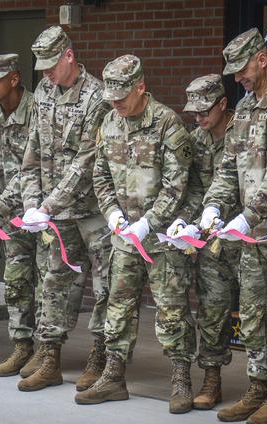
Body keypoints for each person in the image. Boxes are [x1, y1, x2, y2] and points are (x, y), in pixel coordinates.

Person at [75, 54, 195, 413]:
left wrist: (150, 222)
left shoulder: (167, 124)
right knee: (118, 306)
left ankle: (181, 378)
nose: (115, 104)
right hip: (124, 238)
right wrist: (112, 213)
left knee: (171, 310)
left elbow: (177, 185)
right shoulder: (110, 123)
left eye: (121, 96)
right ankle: (113, 376)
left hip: (160, 239)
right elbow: (100, 175)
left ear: (140, 87)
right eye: (110, 98)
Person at [201, 28, 267, 424]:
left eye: (242, 68)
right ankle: (258, 386)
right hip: (249, 237)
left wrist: (250, 214)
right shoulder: (243, 109)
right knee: (253, 313)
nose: (238, 76)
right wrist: (213, 205)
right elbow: (229, 168)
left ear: (262, 59)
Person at [17, 26, 113, 392]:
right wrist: (30, 203)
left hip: (92, 211)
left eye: (51, 65)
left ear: (69, 56)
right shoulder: (43, 90)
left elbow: (87, 161)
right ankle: (50, 357)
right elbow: (33, 152)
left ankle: (99, 357)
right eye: (40, 67)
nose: (45, 73)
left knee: (105, 287)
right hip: (52, 214)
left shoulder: (97, 96)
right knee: (55, 283)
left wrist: (47, 204)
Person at [0, 53, 47, 377]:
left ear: (14, 79)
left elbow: (32, 170)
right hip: (7, 216)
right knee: (16, 281)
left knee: (46, 284)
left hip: (41, 211)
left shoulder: (38, 111)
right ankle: (22, 347)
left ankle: (46, 352)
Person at [165, 74, 238, 411]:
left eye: (204, 110)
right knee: (213, 307)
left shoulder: (244, 132)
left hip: (246, 234)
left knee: (262, 312)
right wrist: (187, 220)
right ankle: (211, 377)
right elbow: (193, 189)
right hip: (209, 239)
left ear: (223, 103)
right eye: (192, 112)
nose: (198, 117)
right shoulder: (196, 139)